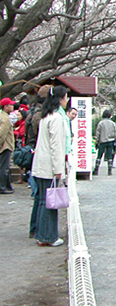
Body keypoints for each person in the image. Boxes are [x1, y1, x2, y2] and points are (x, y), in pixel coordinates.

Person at [30, 86, 69, 246]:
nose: (67, 100)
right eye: (66, 97)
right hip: (49, 167)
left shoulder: (46, 116)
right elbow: (56, 146)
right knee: (49, 202)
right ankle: (48, 236)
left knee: (41, 200)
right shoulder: (57, 118)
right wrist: (59, 169)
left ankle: (39, 232)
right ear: (60, 99)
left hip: (40, 165)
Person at [0, 97, 17, 194]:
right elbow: (2, 133)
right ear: (5, 106)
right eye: (10, 104)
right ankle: (2, 187)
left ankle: (7, 185)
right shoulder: (5, 119)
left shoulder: (3, 116)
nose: (12, 106)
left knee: (4, 167)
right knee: (4, 168)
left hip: (4, 145)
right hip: (5, 146)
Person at [94, 110, 116, 176]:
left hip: (102, 141)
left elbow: (98, 133)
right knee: (109, 156)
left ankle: (96, 169)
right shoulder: (113, 123)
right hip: (111, 141)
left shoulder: (101, 123)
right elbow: (115, 133)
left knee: (99, 156)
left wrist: (97, 141)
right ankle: (109, 170)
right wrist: (115, 142)